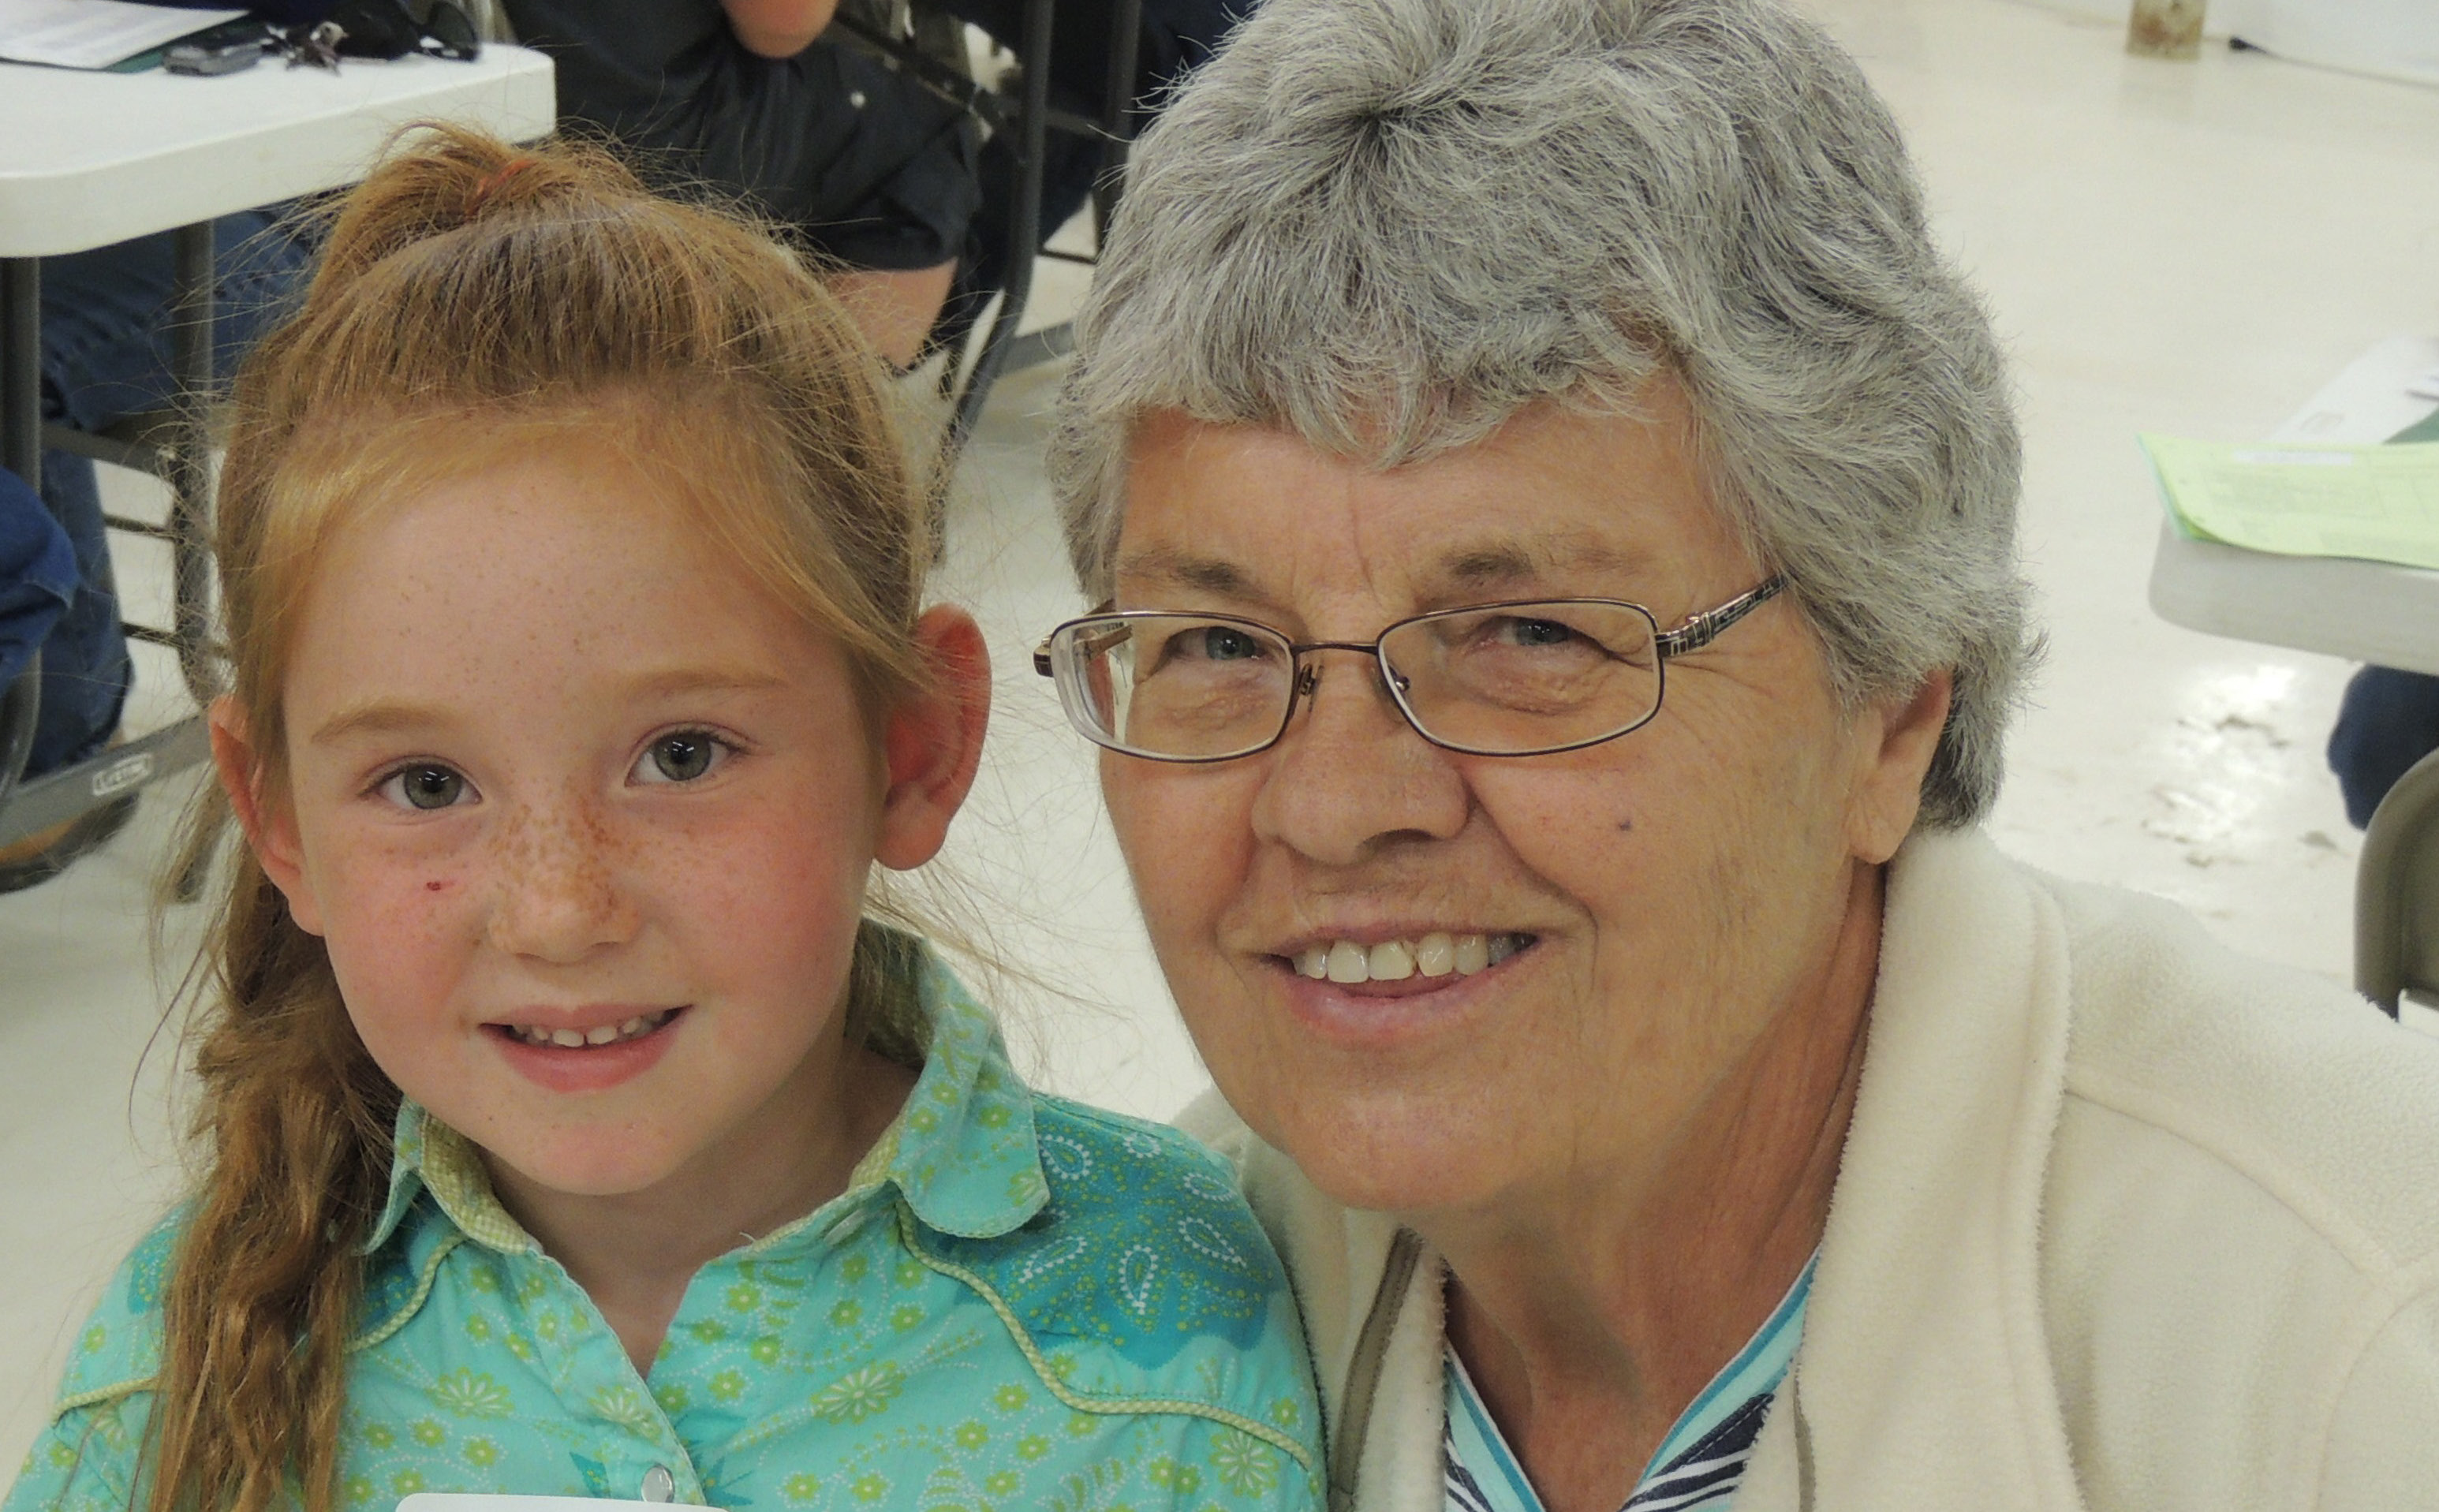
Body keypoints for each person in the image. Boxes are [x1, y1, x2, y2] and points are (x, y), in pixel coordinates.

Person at [1033, 0, 2439, 1506]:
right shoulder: (1132, 1317)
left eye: (1529, 638)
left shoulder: (2355, 1345)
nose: (1329, 807)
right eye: (1218, 648)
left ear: (1893, 707)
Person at [2, 127, 1320, 1512]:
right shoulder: (185, 1354)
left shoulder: (1166, 1338)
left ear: (912, 748)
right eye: (426, 785)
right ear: (278, 825)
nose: (559, 909)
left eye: (681, 755)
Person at [499, 0, 1250, 368]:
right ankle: (834, 455)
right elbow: (782, 25)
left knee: (1129, 73)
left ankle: (914, 343)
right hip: (653, 120)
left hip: (544, 79)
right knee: (921, 148)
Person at [0, 208, 316, 891]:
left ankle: (58, 748)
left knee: (7, 354)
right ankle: (55, 730)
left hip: (284, 218)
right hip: (72, 214)